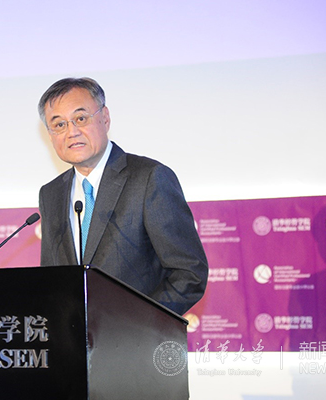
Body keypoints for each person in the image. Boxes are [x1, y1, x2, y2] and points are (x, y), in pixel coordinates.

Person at [38, 77, 208, 315]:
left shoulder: (149, 178)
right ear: (50, 134)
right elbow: (51, 278)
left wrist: (136, 322)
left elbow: (189, 272)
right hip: (73, 336)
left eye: (81, 119)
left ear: (105, 118)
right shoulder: (51, 194)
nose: (72, 132)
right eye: (59, 124)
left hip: (138, 335)